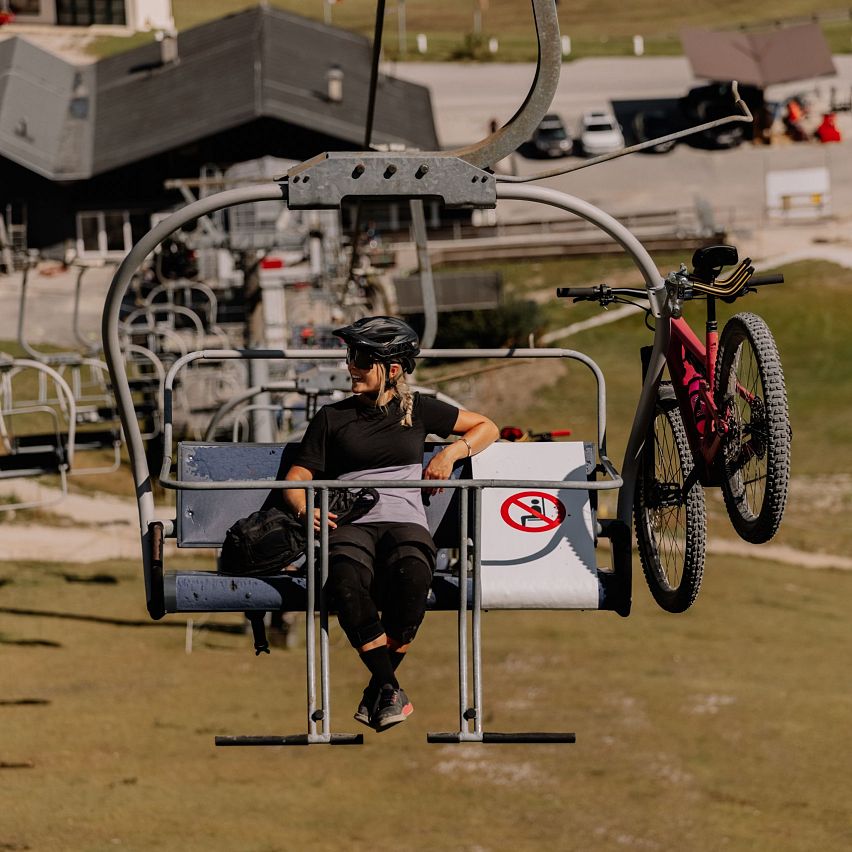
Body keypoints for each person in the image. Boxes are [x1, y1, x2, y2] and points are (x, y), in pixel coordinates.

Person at [282, 316, 498, 731]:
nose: (351, 367)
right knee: (343, 583)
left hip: (404, 522)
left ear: (392, 369)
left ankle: (380, 688)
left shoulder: (417, 411)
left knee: (416, 576)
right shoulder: (332, 418)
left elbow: (485, 427)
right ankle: (386, 685)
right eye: (350, 357)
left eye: (362, 359)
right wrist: (301, 508)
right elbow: (297, 478)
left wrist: (448, 455)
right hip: (352, 523)